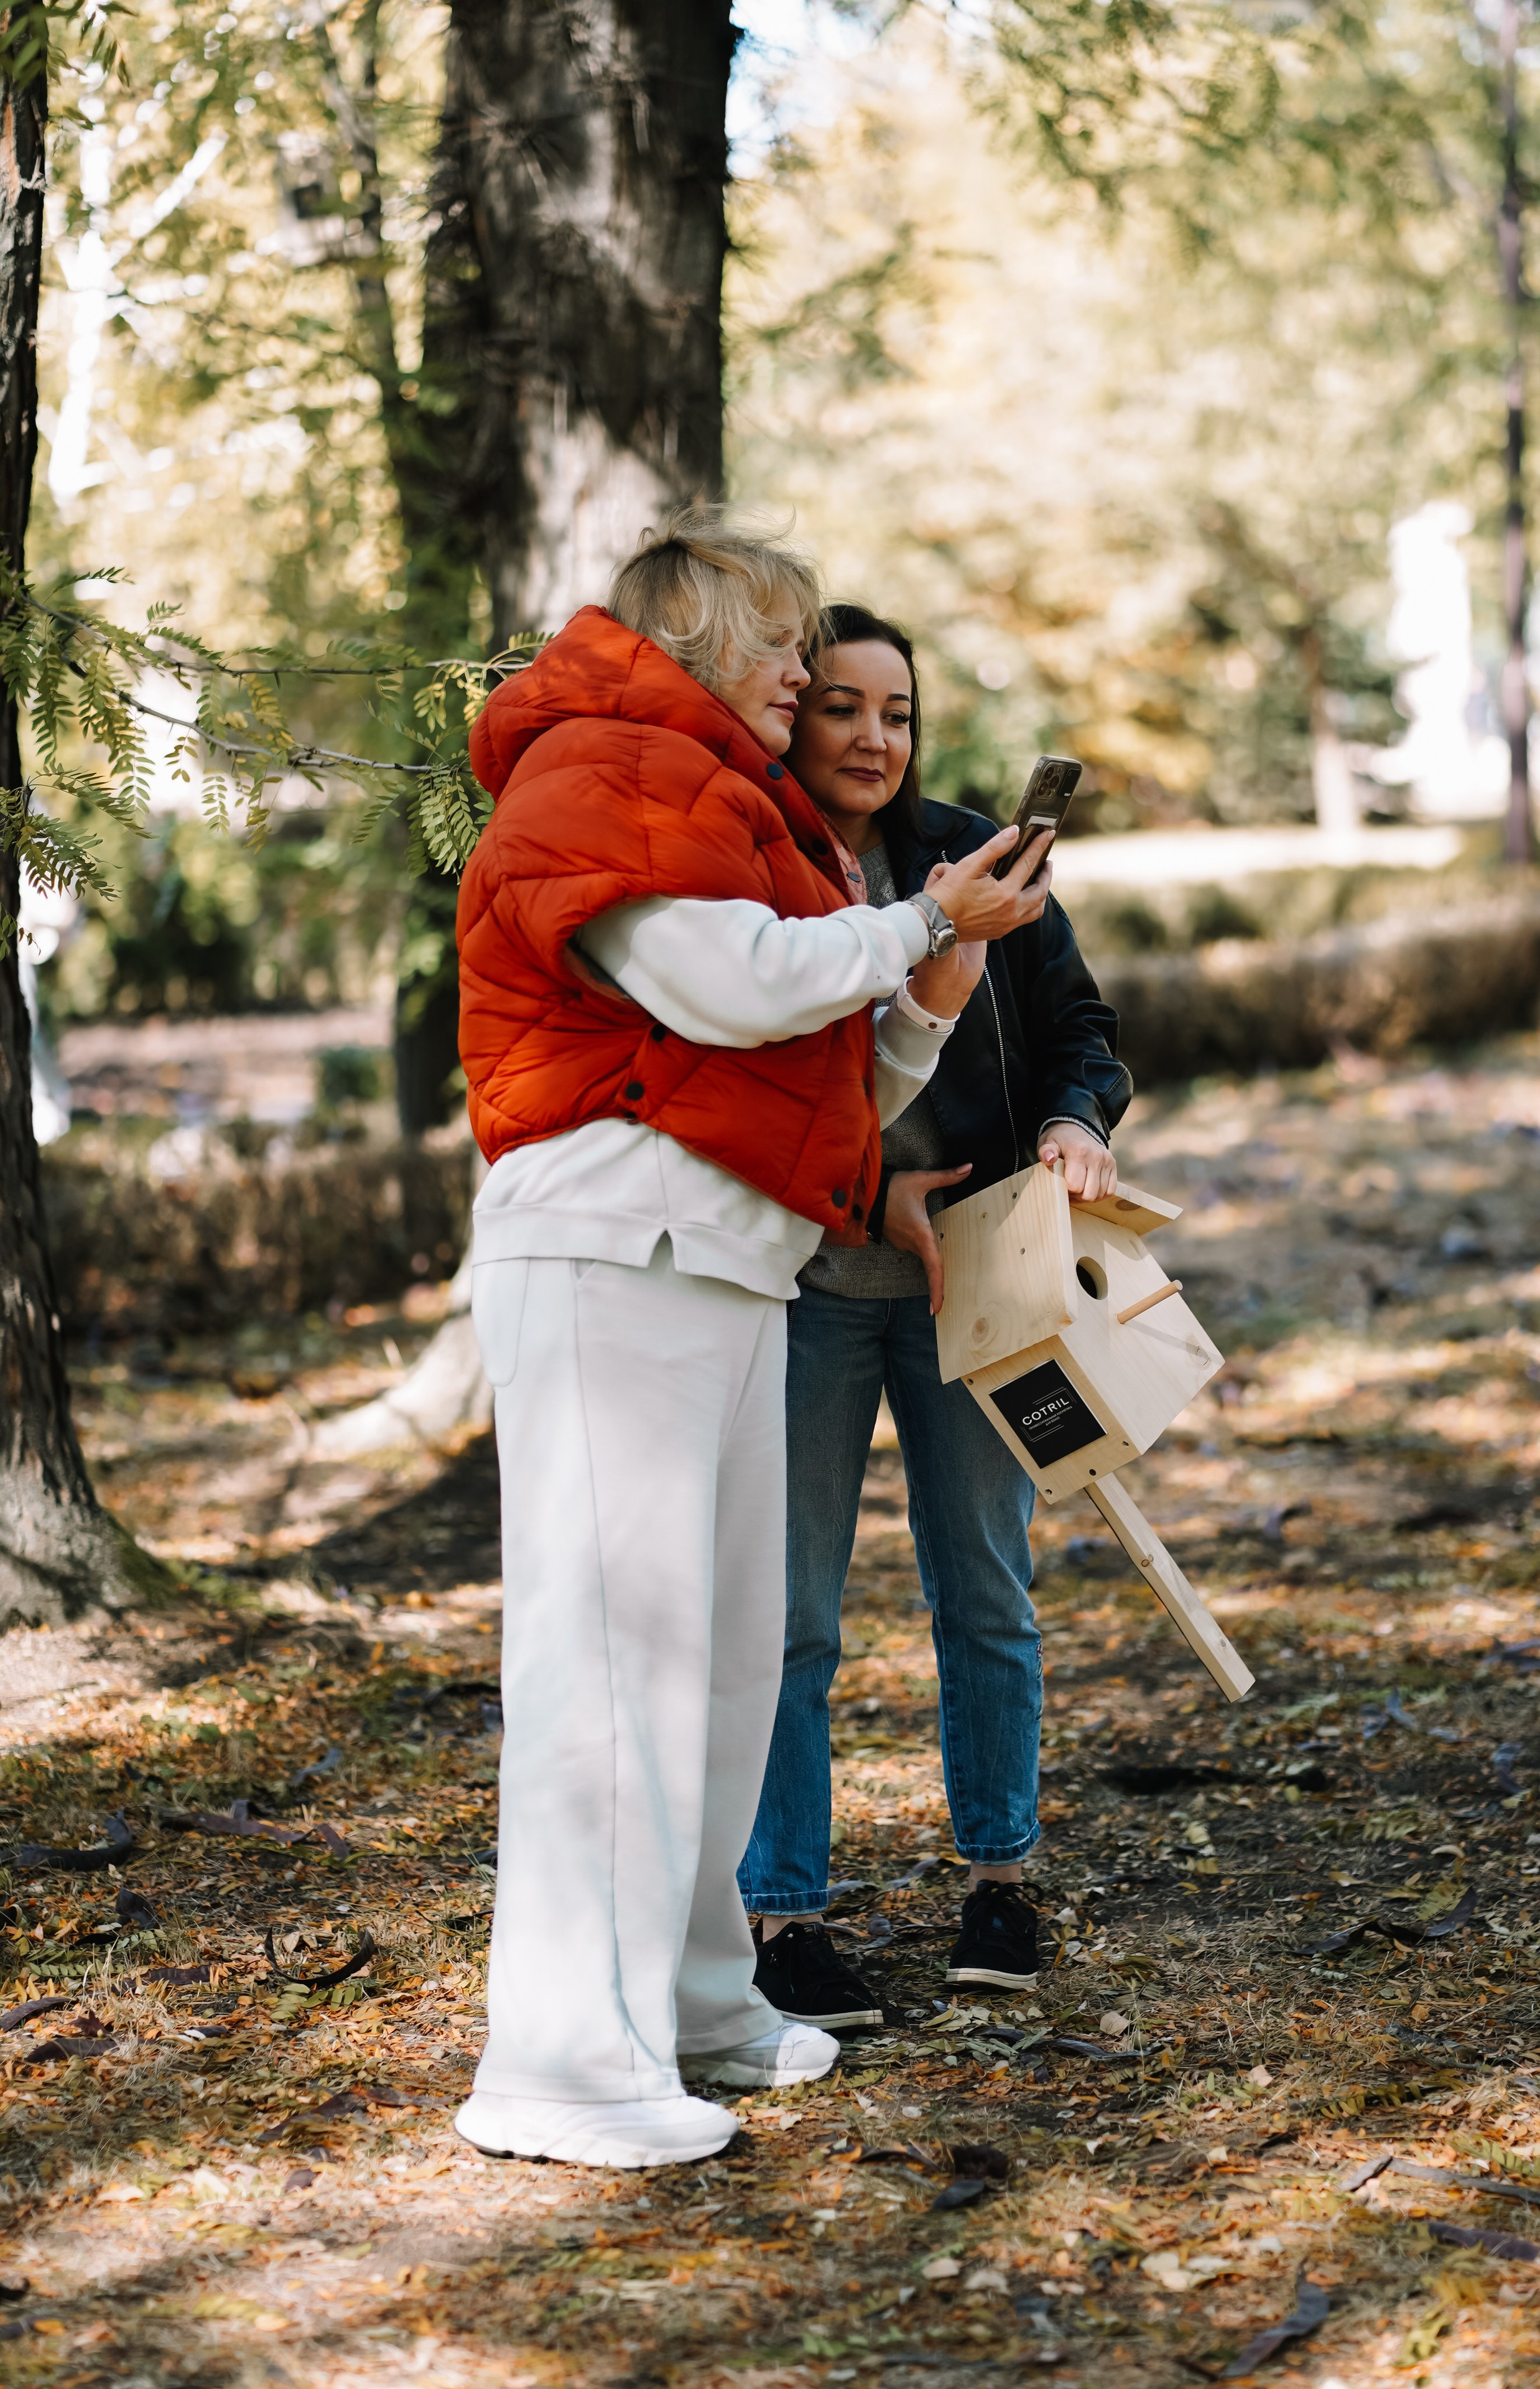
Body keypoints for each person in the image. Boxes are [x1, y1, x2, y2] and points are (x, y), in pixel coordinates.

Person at [450, 521, 1054, 2169]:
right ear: (707, 634)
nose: (806, 673)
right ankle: (565, 2068)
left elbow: (838, 1074)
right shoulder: (598, 769)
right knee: (610, 1660)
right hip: (610, 1246)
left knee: (717, 1656)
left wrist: (942, 963)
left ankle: (700, 1994)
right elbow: (728, 987)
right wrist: (911, 918)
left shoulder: (734, 806)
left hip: (726, 1261)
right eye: (784, 642)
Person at [738, 604, 1131, 2029]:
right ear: (790, 713)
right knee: (788, 1614)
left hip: (986, 1285)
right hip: (812, 1286)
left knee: (985, 1590)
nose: (869, 736)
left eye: (894, 712)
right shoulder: (756, 861)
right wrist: (871, 1189)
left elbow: (1081, 1031)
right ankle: (779, 1914)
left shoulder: (981, 855)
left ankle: (999, 1884)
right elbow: (766, 1077)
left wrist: (1077, 1127)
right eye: (838, 706)